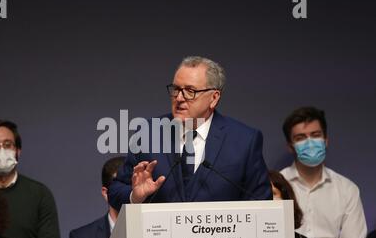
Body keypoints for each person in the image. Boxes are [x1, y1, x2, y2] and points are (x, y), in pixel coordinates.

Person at [108, 56, 271, 210]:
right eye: (176, 89)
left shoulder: (244, 140)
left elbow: (261, 200)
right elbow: (115, 192)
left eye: (190, 91)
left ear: (214, 98)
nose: (179, 98)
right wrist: (135, 197)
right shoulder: (148, 133)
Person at [280, 107, 367, 238]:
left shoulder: (347, 189)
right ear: (290, 146)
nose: (310, 142)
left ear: (326, 140)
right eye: (300, 138)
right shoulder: (276, 186)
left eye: (315, 134)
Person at [61, 156, 125, 238]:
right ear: (106, 193)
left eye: (132, 186)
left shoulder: (156, 234)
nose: (128, 193)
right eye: (121, 188)